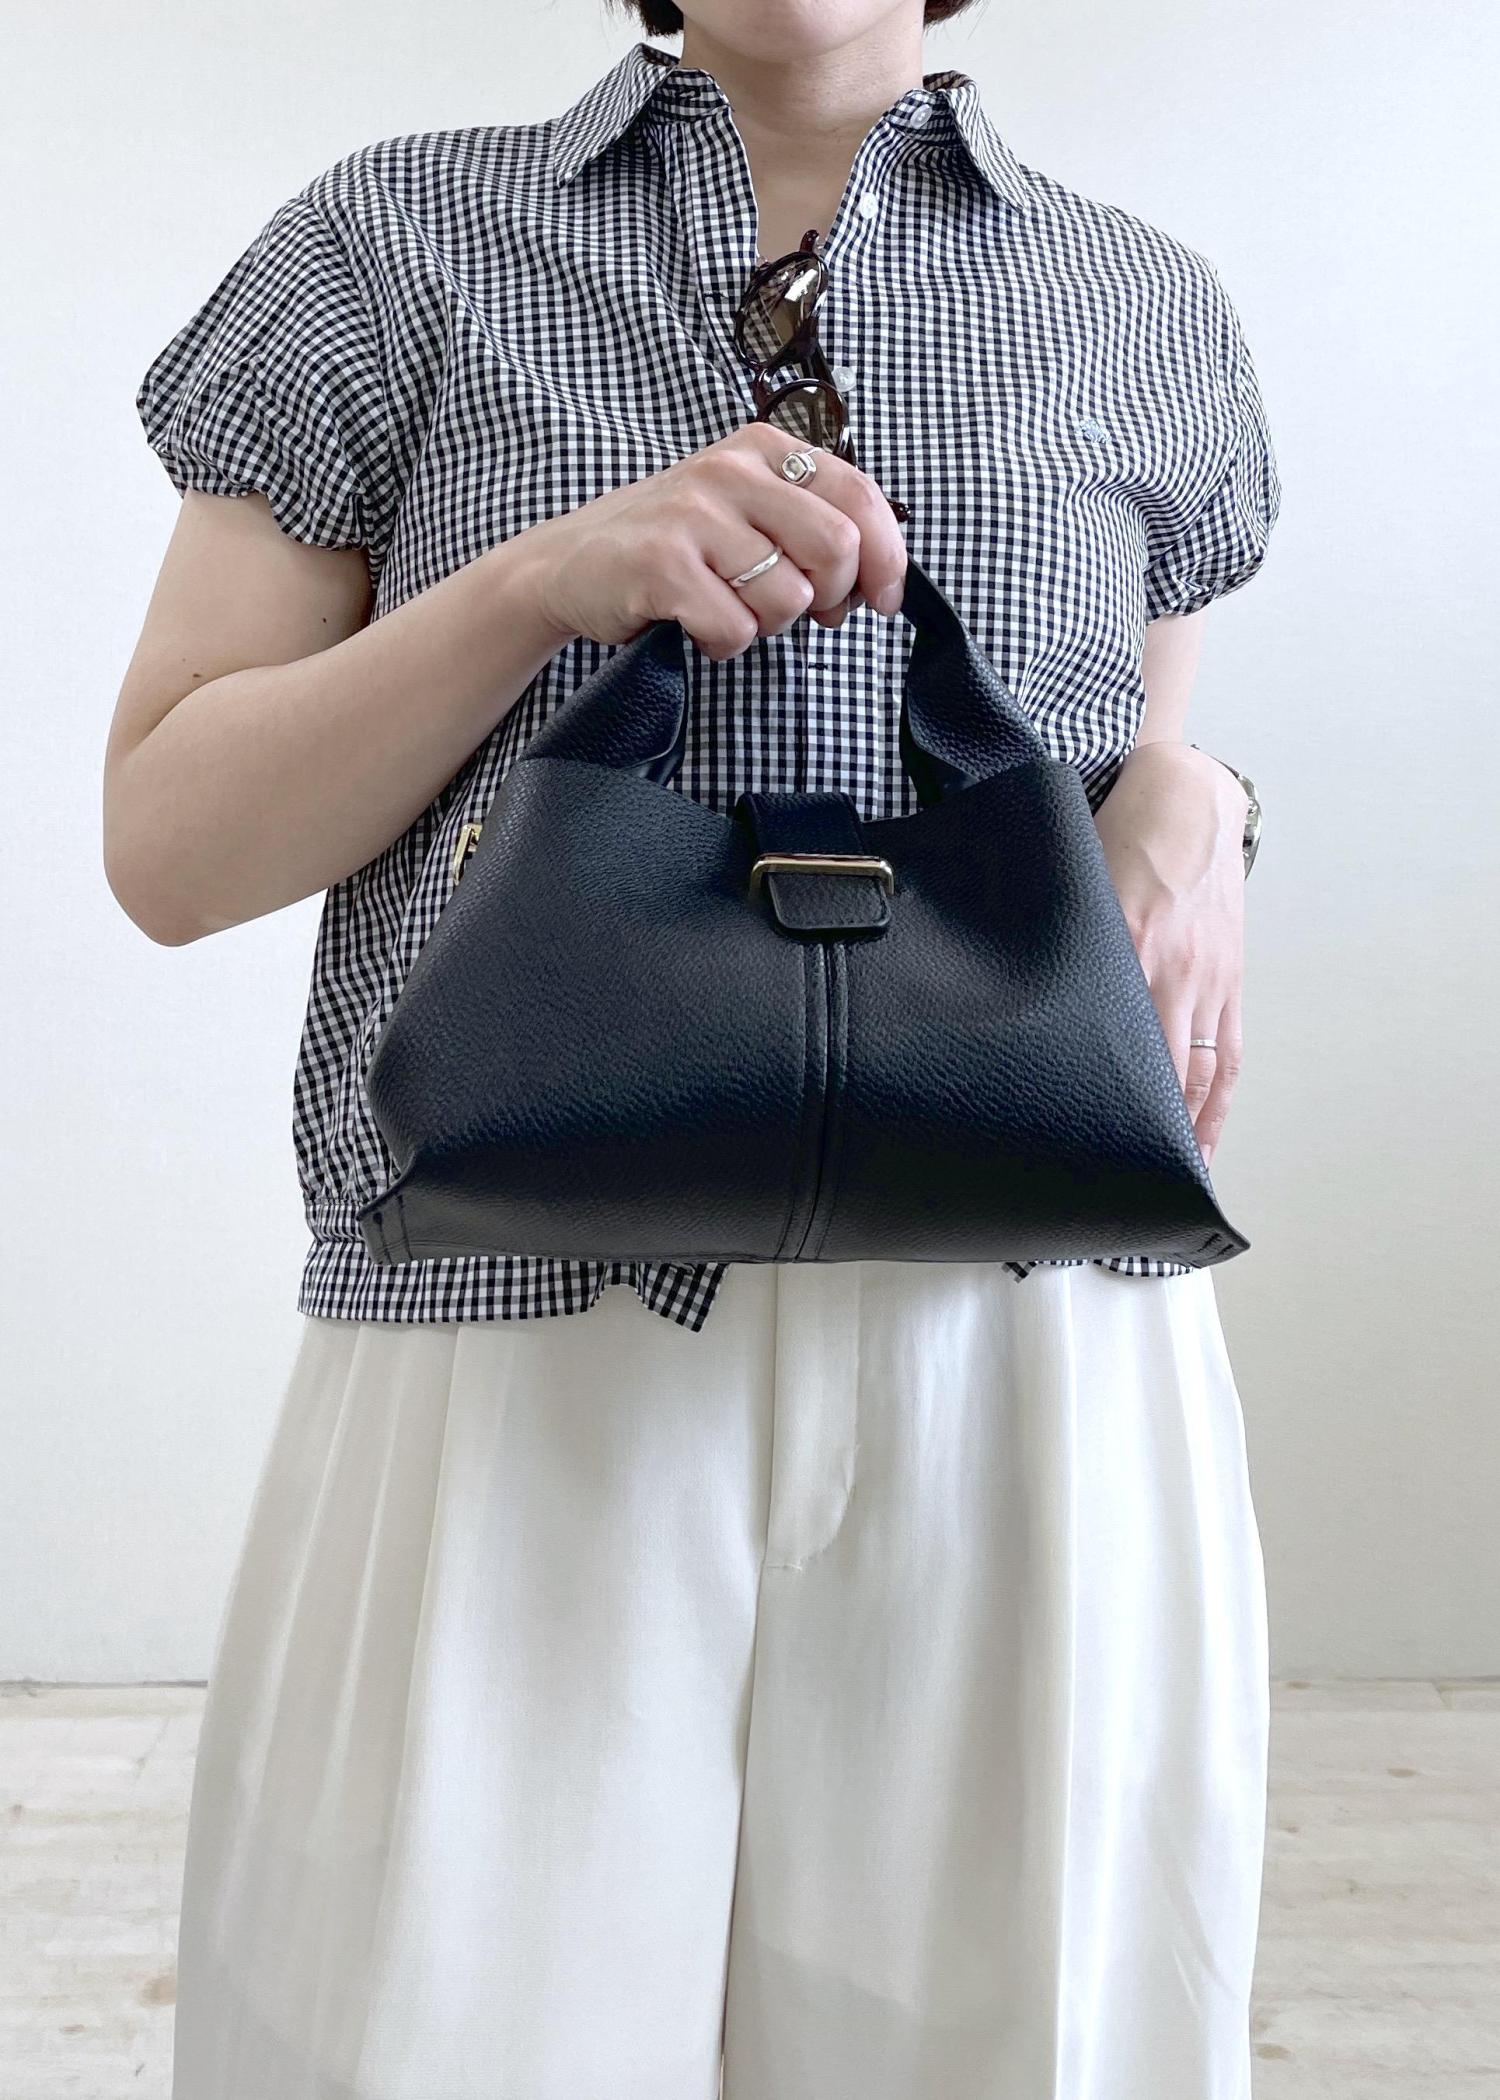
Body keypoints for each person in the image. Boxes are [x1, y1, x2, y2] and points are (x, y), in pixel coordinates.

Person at [103, 1, 1282, 2094]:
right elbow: (173, 852)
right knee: (444, 2036)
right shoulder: (395, 242)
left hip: (1022, 1330)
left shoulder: (1145, 303)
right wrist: (534, 586)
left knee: (1025, 2040)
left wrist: (1205, 798)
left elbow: (1122, 804)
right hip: (509, 1305)